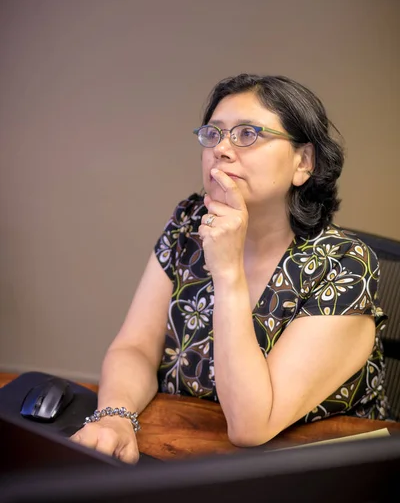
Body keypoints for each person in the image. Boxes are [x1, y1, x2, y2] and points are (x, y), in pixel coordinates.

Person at [70, 73, 389, 463]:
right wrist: (116, 416)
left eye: (247, 134)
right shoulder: (191, 222)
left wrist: (227, 272)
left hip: (311, 475)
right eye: (213, 134)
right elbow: (135, 348)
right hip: (182, 454)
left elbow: (250, 426)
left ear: (303, 163)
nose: (221, 149)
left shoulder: (345, 266)